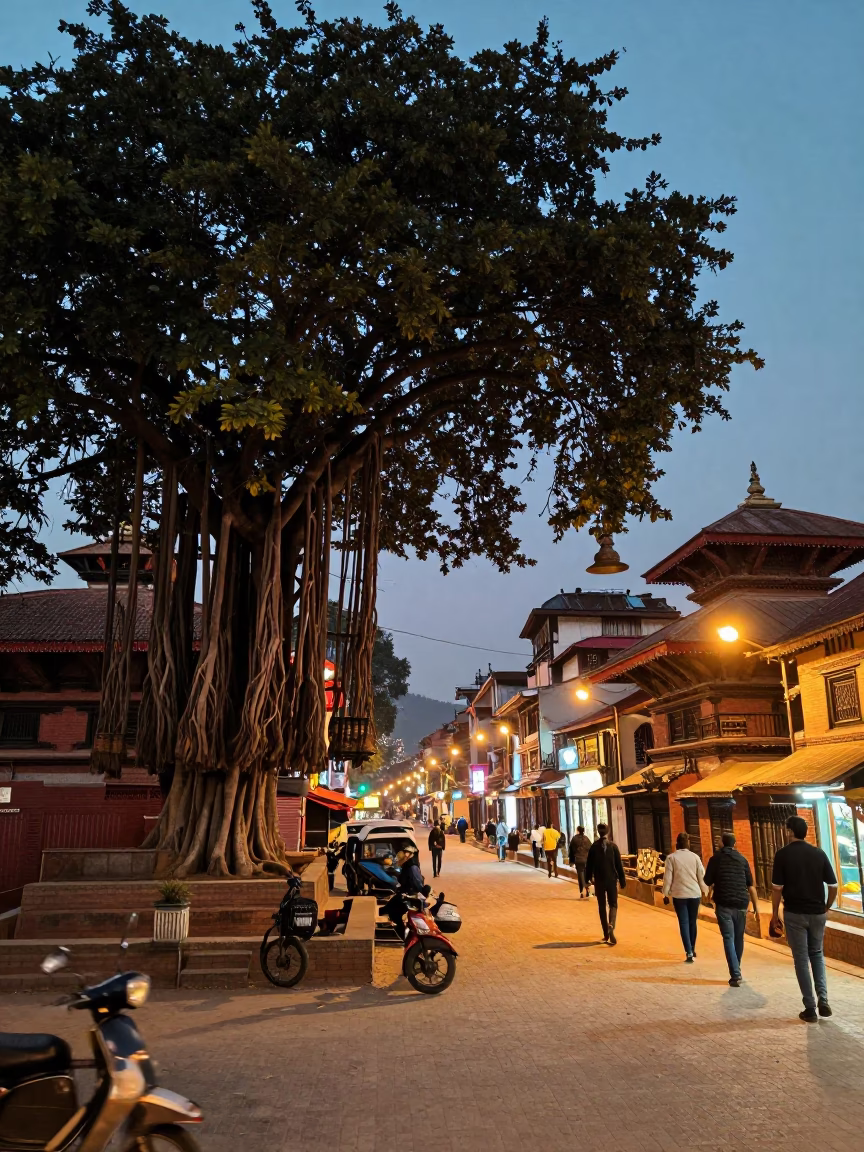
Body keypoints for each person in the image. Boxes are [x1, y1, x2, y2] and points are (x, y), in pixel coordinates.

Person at [771, 814, 838, 1022]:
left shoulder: (782, 855)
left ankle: (809, 1007)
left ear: (790, 831)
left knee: (801, 958)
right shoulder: (819, 853)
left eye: (786, 828)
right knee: (817, 954)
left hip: (794, 913)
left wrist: (774, 914)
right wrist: (826, 906)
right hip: (818, 913)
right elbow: (833, 885)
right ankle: (823, 999)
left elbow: (777, 889)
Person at [704, 831, 760, 987]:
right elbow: (751, 885)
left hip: (724, 903)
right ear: (734, 844)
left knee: (728, 937)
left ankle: (735, 973)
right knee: (738, 938)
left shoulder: (715, 859)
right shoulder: (743, 860)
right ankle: (737, 968)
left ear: (722, 843)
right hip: (742, 903)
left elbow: (707, 880)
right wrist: (756, 908)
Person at [662, 832, 708, 962]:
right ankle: (692, 948)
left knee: (684, 923)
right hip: (694, 894)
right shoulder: (695, 858)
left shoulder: (671, 858)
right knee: (693, 922)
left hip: (679, 895)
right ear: (688, 844)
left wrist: (665, 894)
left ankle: (688, 952)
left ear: (676, 844)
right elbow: (701, 876)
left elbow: (668, 878)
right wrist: (705, 892)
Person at [585, 823, 626, 944]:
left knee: (602, 906)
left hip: (599, 881)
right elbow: (619, 865)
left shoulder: (594, 847)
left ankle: (605, 934)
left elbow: (589, 866)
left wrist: (587, 880)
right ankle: (611, 924)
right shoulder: (613, 847)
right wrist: (623, 881)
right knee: (613, 904)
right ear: (607, 832)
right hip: (612, 880)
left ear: (598, 832)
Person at [568, 826, 592, 897]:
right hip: (586, 860)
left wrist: (571, 861)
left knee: (580, 875)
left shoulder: (574, 839)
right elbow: (590, 849)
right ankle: (587, 890)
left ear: (578, 830)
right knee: (586, 875)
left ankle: (582, 891)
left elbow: (571, 850)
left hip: (578, 860)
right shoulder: (586, 839)